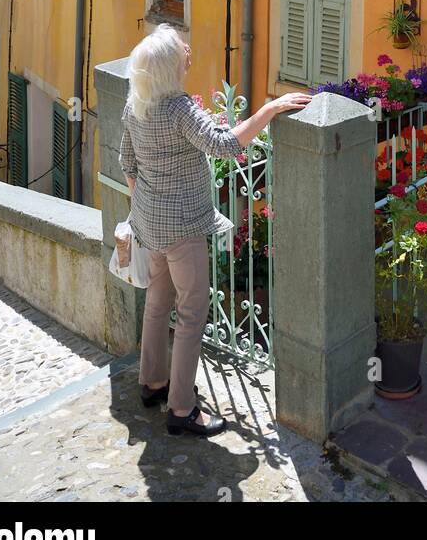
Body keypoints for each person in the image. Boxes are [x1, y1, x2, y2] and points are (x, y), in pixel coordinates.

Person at [119, 24, 310, 438]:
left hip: (150, 223)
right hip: (184, 228)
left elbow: (127, 164)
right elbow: (224, 144)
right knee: (191, 314)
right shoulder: (178, 110)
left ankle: (152, 383)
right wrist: (269, 110)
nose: (189, 49)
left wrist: (146, 206)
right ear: (171, 66)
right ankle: (182, 409)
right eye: (181, 49)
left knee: (157, 303)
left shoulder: (136, 104)